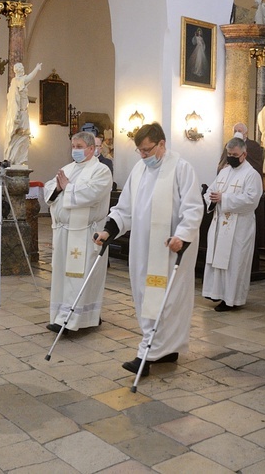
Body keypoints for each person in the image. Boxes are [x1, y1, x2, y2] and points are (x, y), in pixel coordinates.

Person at [94, 123, 202, 377]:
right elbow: (125, 208)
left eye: (146, 150)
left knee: (168, 301)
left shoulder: (182, 168)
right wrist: (109, 229)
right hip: (143, 248)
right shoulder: (139, 170)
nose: (143, 156)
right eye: (139, 151)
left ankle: (148, 353)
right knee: (145, 297)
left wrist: (182, 236)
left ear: (162, 144)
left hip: (170, 249)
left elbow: (193, 208)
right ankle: (167, 349)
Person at [44, 132, 113, 333]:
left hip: (85, 234)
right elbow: (50, 189)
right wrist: (58, 189)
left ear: (91, 149)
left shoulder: (101, 171)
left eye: (79, 146)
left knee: (81, 277)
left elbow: (92, 194)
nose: (75, 150)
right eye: (73, 146)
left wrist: (68, 187)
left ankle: (77, 319)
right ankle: (61, 315)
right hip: (64, 232)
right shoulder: (68, 168)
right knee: (63, 276)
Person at [202, 137, 262, 311]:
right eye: (229, 154)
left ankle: (232, 299)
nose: (231, 157)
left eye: (234, 154)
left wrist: (224, 198)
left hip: (239, 228)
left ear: (244, 154)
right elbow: (210, 192)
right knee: (218, 261)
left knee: (234, 262)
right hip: (220, 224)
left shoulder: (252, 175)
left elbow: (252, 200)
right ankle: (217, 293)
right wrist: (212, 199)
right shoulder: (224, 172)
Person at [4, 62, 42, 166]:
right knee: (21, 134)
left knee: (24, 136)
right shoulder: (17, 81)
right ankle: (15, 159)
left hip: (24, 111)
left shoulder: (17, 81)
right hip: (20, 113)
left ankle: (20, 160)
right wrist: (36, 68)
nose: (23, 69)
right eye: (22, 67)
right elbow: (29, 78)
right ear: (19, 70)